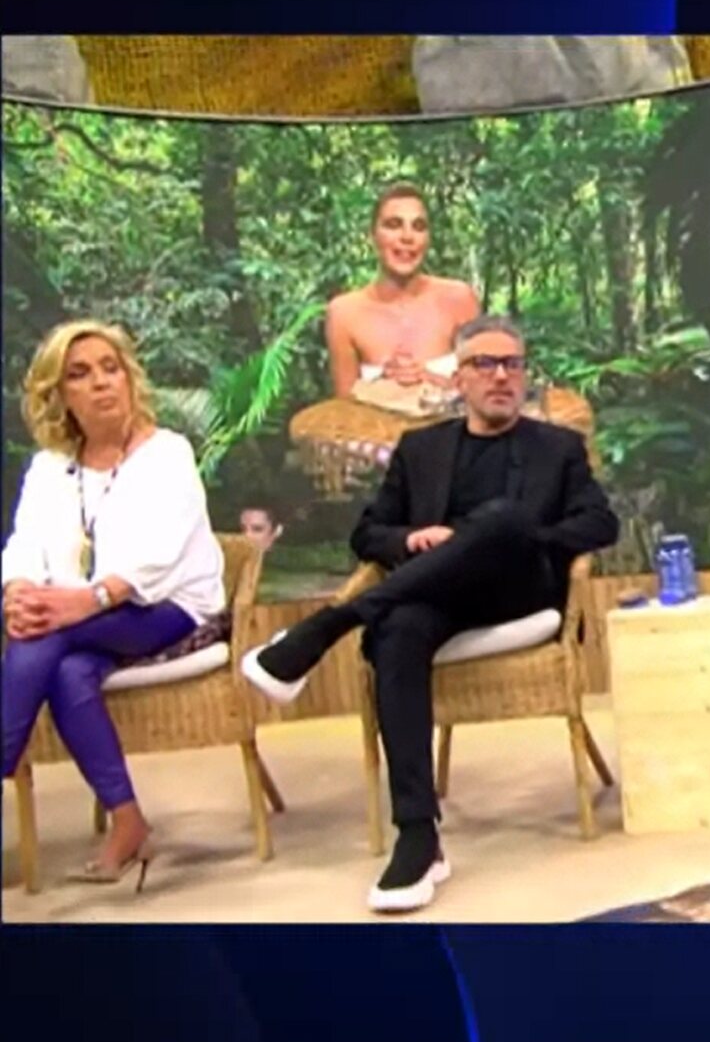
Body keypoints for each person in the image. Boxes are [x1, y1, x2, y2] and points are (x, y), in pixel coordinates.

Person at [242, 315, 617, 913]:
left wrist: (519, 537)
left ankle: (327, 627)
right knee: (397, 630)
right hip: (438, 594)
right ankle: (418, 837)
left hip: (518, 590)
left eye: (512, 364)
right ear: (458, 379)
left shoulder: (557, 448)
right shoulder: (422, 449)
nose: (501, 376)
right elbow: (369, 534)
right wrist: (411, 539)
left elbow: (600, 523)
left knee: (503, 520)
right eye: (484, 364)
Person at [2, 320, 227, 890]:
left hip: (168, 607)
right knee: (68, 670)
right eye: (80, 374)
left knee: (45, 636)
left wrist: (86, 601)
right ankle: (129, 824)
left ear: (129, 378)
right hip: (81, 618)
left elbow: (158, 558)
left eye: (111, 368)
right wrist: (18, 591)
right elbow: (25, 542)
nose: (102, 382)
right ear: (59, 394)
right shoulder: (49, 467)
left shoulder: (168, 453)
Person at [325, 181, 481, 403]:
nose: (407, 237)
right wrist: (382, 385)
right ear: (373, 236)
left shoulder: (459, 299)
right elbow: (343, 410)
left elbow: (485, 389)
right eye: (394, 225)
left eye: (418, 226)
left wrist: (430, 381)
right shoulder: (344, 313)